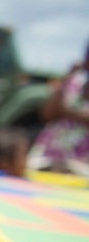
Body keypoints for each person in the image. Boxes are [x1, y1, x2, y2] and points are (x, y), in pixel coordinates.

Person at [27, 40, 89, 176]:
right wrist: (67, 78)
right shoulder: (73, 84)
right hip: (49, 155)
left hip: (82, 164)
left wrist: (65, 112)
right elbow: (46, 114)